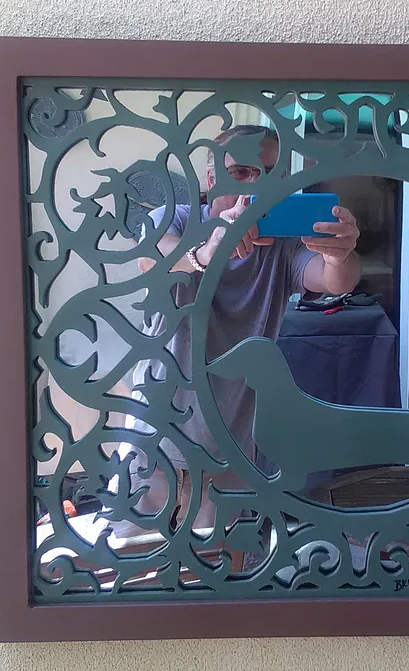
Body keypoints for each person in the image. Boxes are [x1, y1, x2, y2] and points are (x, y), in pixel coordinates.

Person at [124, 124, 364, 529]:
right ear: (211, 179)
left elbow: (334, 280)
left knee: (218, 562)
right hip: (156, 434)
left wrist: (340, 255)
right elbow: (152, 261)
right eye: (240, 173)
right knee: (133, 557)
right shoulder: (174, 218)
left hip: (230, 444)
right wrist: (207, 253)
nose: (255, 186)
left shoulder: (284, 245)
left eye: (269, 174)